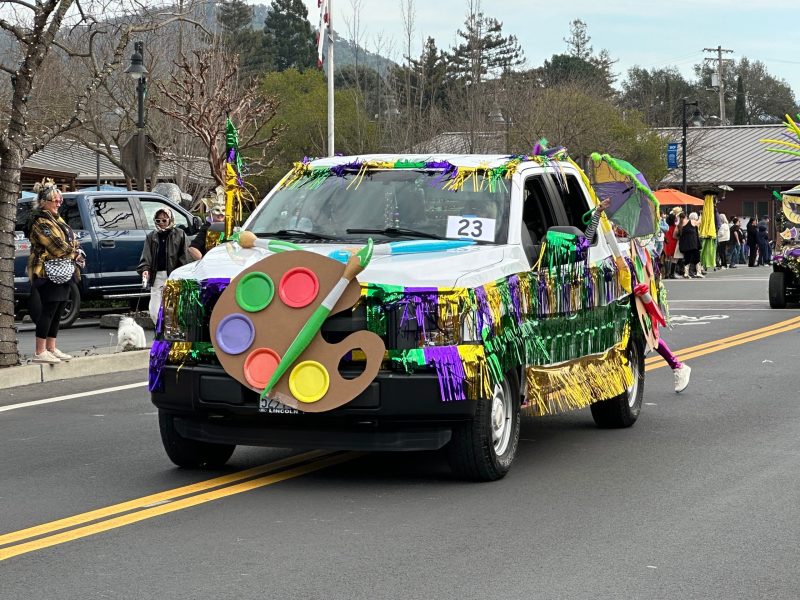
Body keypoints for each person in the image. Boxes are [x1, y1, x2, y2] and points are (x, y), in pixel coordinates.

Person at [24, 179, 86, 363]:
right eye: (55, 200)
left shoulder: (57, 219)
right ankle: (40, 351)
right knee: (49, 309)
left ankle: (51, 348)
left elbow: (72, 240)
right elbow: (57, 246)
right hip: (46, 271)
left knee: (59, 309)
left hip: (64, 271)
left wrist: (76, 250)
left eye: (60, 200)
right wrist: (75, 253)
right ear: (44, 202)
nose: (59, 203)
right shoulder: (40, 221)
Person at [138, 207, 191, 324]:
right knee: (154, 310)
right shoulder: (151, 236)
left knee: (173, 308)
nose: (161, 223)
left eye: (164, 220)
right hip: (157, 276)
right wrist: (145, 270)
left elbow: (185, 257)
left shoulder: (180, 234)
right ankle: (160, 329)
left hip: (174, 276)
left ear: (170, 219)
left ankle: (170, 330)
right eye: (158, 220)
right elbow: (146, 256)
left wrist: (180, 275)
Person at [188, 193, 226, 260]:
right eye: (217, 210)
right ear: (210, 212)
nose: (221, 213)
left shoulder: (230, 226)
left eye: (223, 210)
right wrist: (202, 261)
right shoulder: (207, 228)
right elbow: (192, 248)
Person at [678, 212, 702, 278]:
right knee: (697, 258)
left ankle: (686, 273)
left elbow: (677, 235)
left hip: (685, 245)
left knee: (687, 259)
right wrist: (700, 216)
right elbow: (699, 222)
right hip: (693, 244)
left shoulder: (680, 224)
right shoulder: (692, 221)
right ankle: (698, 272)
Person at [663, 213, 678, 278]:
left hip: (667, 243)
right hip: (674, 243)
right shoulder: (675, 226)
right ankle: (672, 273)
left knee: (667, 258)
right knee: (674, 259)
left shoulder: (666, 226)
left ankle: (666, 274)